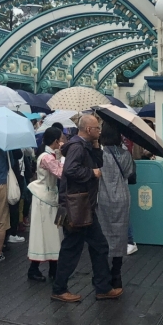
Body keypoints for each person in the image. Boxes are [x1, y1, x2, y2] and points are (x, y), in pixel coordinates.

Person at [51, 114, 121, 303]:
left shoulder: (86, 146)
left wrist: (97, 146)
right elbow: (70, 170)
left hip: (84, 206)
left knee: (98, 246)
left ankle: (102, 287)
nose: (100, 131)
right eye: (97, 128)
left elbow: (99, 163)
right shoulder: (77, 147)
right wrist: (91, 173)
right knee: (72, 248)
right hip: (77, 206)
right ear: (89, 130)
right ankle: (60, 288)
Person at [97, 119, 135, 290]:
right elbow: (128, 174)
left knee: (102, 237)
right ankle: (117, 275)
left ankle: (102, 274)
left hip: (102, 198)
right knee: (120, 236)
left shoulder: (99, 154)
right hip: (122, 197)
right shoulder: (125, 154)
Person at [27, 126, 64, 282]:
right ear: (56, 141)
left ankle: (51, 269)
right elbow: (61, 173)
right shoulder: (47, 157)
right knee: (48, 233)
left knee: (52, 233)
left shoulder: (49, 155)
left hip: (47, 197)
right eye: (61, 139)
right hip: (45, 198)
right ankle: (39, 269)